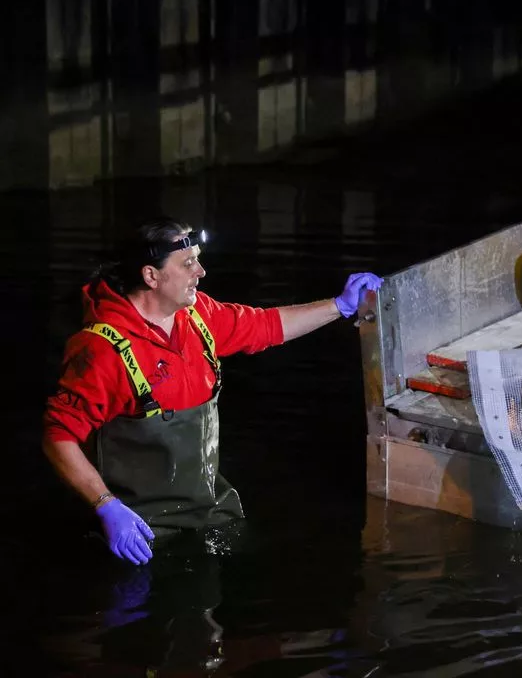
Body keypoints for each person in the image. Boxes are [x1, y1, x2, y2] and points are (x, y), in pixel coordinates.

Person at [42, 216, 383, 566]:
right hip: (141, 529)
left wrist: (339, 306)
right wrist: (107, 507)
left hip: (209, 509)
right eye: (187, 263)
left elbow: (266, 326)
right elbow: (58, 437)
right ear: (151, 276)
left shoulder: (198, 316)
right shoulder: (103, 351)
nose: (201, 272)